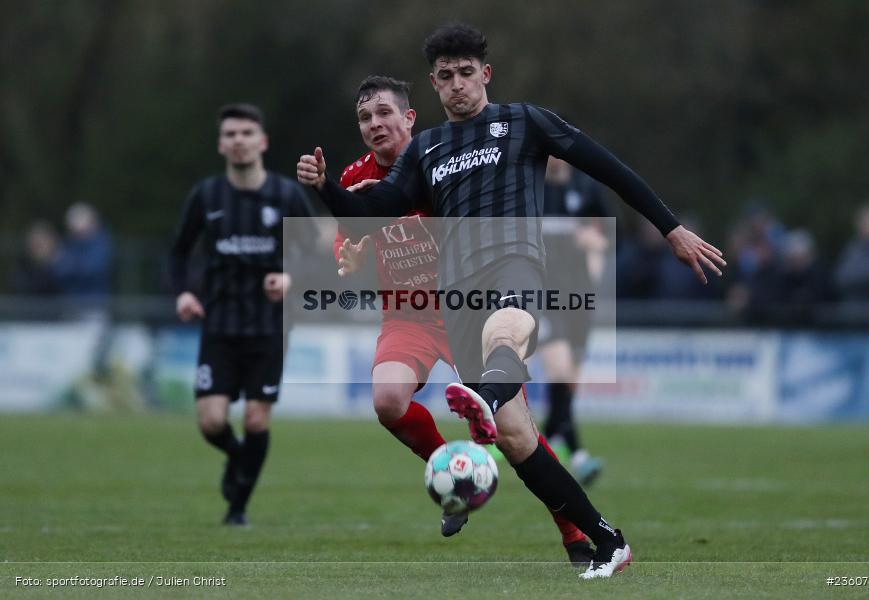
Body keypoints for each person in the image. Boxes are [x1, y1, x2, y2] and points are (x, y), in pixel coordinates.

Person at [298, 23, 726, 579]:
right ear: (435, 83)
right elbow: (371, 211)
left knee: (510, 325)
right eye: (446, 76)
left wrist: (671, 229)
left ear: (486, 74)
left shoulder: (523, 121)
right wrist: (325, 187)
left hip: (515, 263)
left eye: (466, 73)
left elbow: (610, 169)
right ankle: (605, 541)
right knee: (520, 438)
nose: (457, 85)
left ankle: (485, 394)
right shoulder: (427, 149)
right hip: (456, 296)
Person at [333, 75, 594, 564]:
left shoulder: (438, 161)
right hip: (405, 315)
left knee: (519, 434)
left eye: (384, 113)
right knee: (388, 401)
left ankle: (575, 533)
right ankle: (448, 466)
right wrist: (347, 256)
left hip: (463, 308)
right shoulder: (353, 176)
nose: (375, 124)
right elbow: (348, 234)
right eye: (365, 118)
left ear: (409, 117)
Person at [170, 103, 317, 526]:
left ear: (262, 141)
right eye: (230, 134)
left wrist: (290, 277)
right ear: (221, 144)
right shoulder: (207, 196)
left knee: (255, 417)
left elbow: (315, 254)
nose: (238, 141)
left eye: (246, 133)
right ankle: (238, 460)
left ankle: (237, 509)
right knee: (211, 421)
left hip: (270, 326)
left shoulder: (287, 195)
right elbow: (179, 252)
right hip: (219, 323)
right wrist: (183, 293)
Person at [538, 157, 608, 486]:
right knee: (560, 371)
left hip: (579, 297)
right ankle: (578, 455)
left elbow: (607, 234)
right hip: (543, 296)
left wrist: (597, 247)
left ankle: (547, 440)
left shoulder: (586, 188)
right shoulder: (530, 187)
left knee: (568, 384)